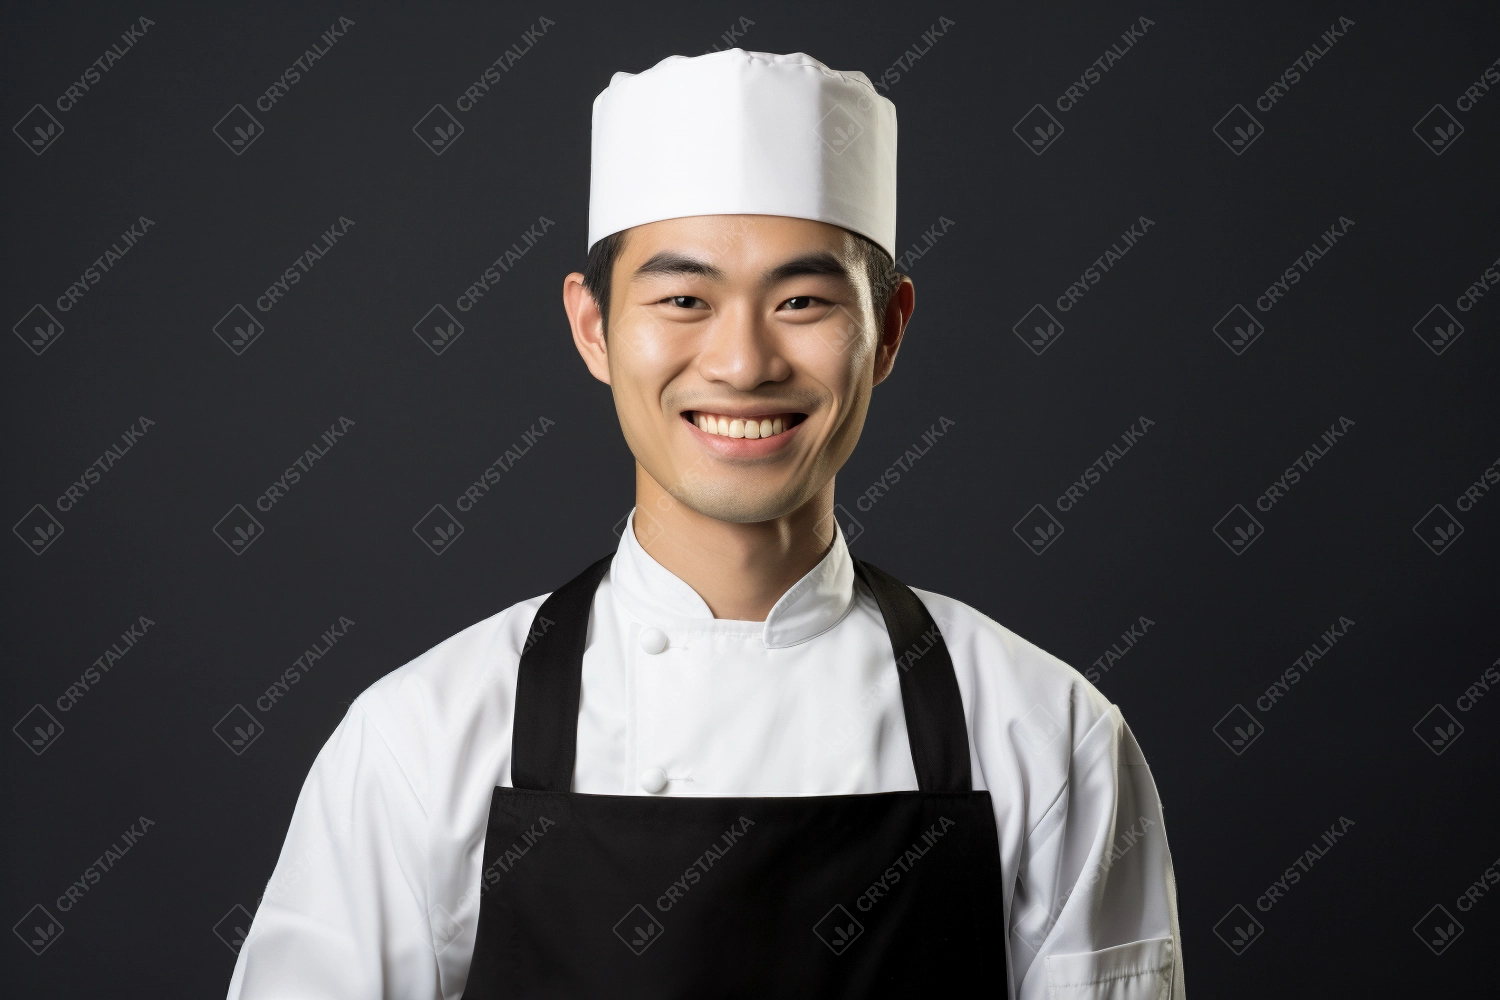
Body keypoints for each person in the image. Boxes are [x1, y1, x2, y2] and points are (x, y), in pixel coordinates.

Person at [226, 48, 1186, 999]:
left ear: (888, 330)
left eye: (802, 301)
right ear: (594, 327)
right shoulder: (418, 740)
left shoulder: (1048, 735)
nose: (741, 362)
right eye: (684, 299)